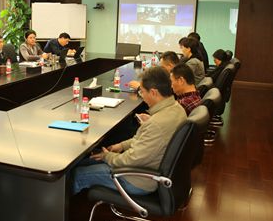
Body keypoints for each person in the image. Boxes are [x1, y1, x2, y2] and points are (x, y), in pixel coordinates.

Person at [72, 66, 187, 195]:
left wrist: (107, 157)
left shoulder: (157, 123)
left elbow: (132, 159)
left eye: (142, 92)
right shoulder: (177, 109)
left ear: (153, 92)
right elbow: (144, 142)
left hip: (137, 179)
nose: (142, 96)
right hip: (146, 167)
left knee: (77, 174)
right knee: (87, 161)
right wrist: (122, 146)